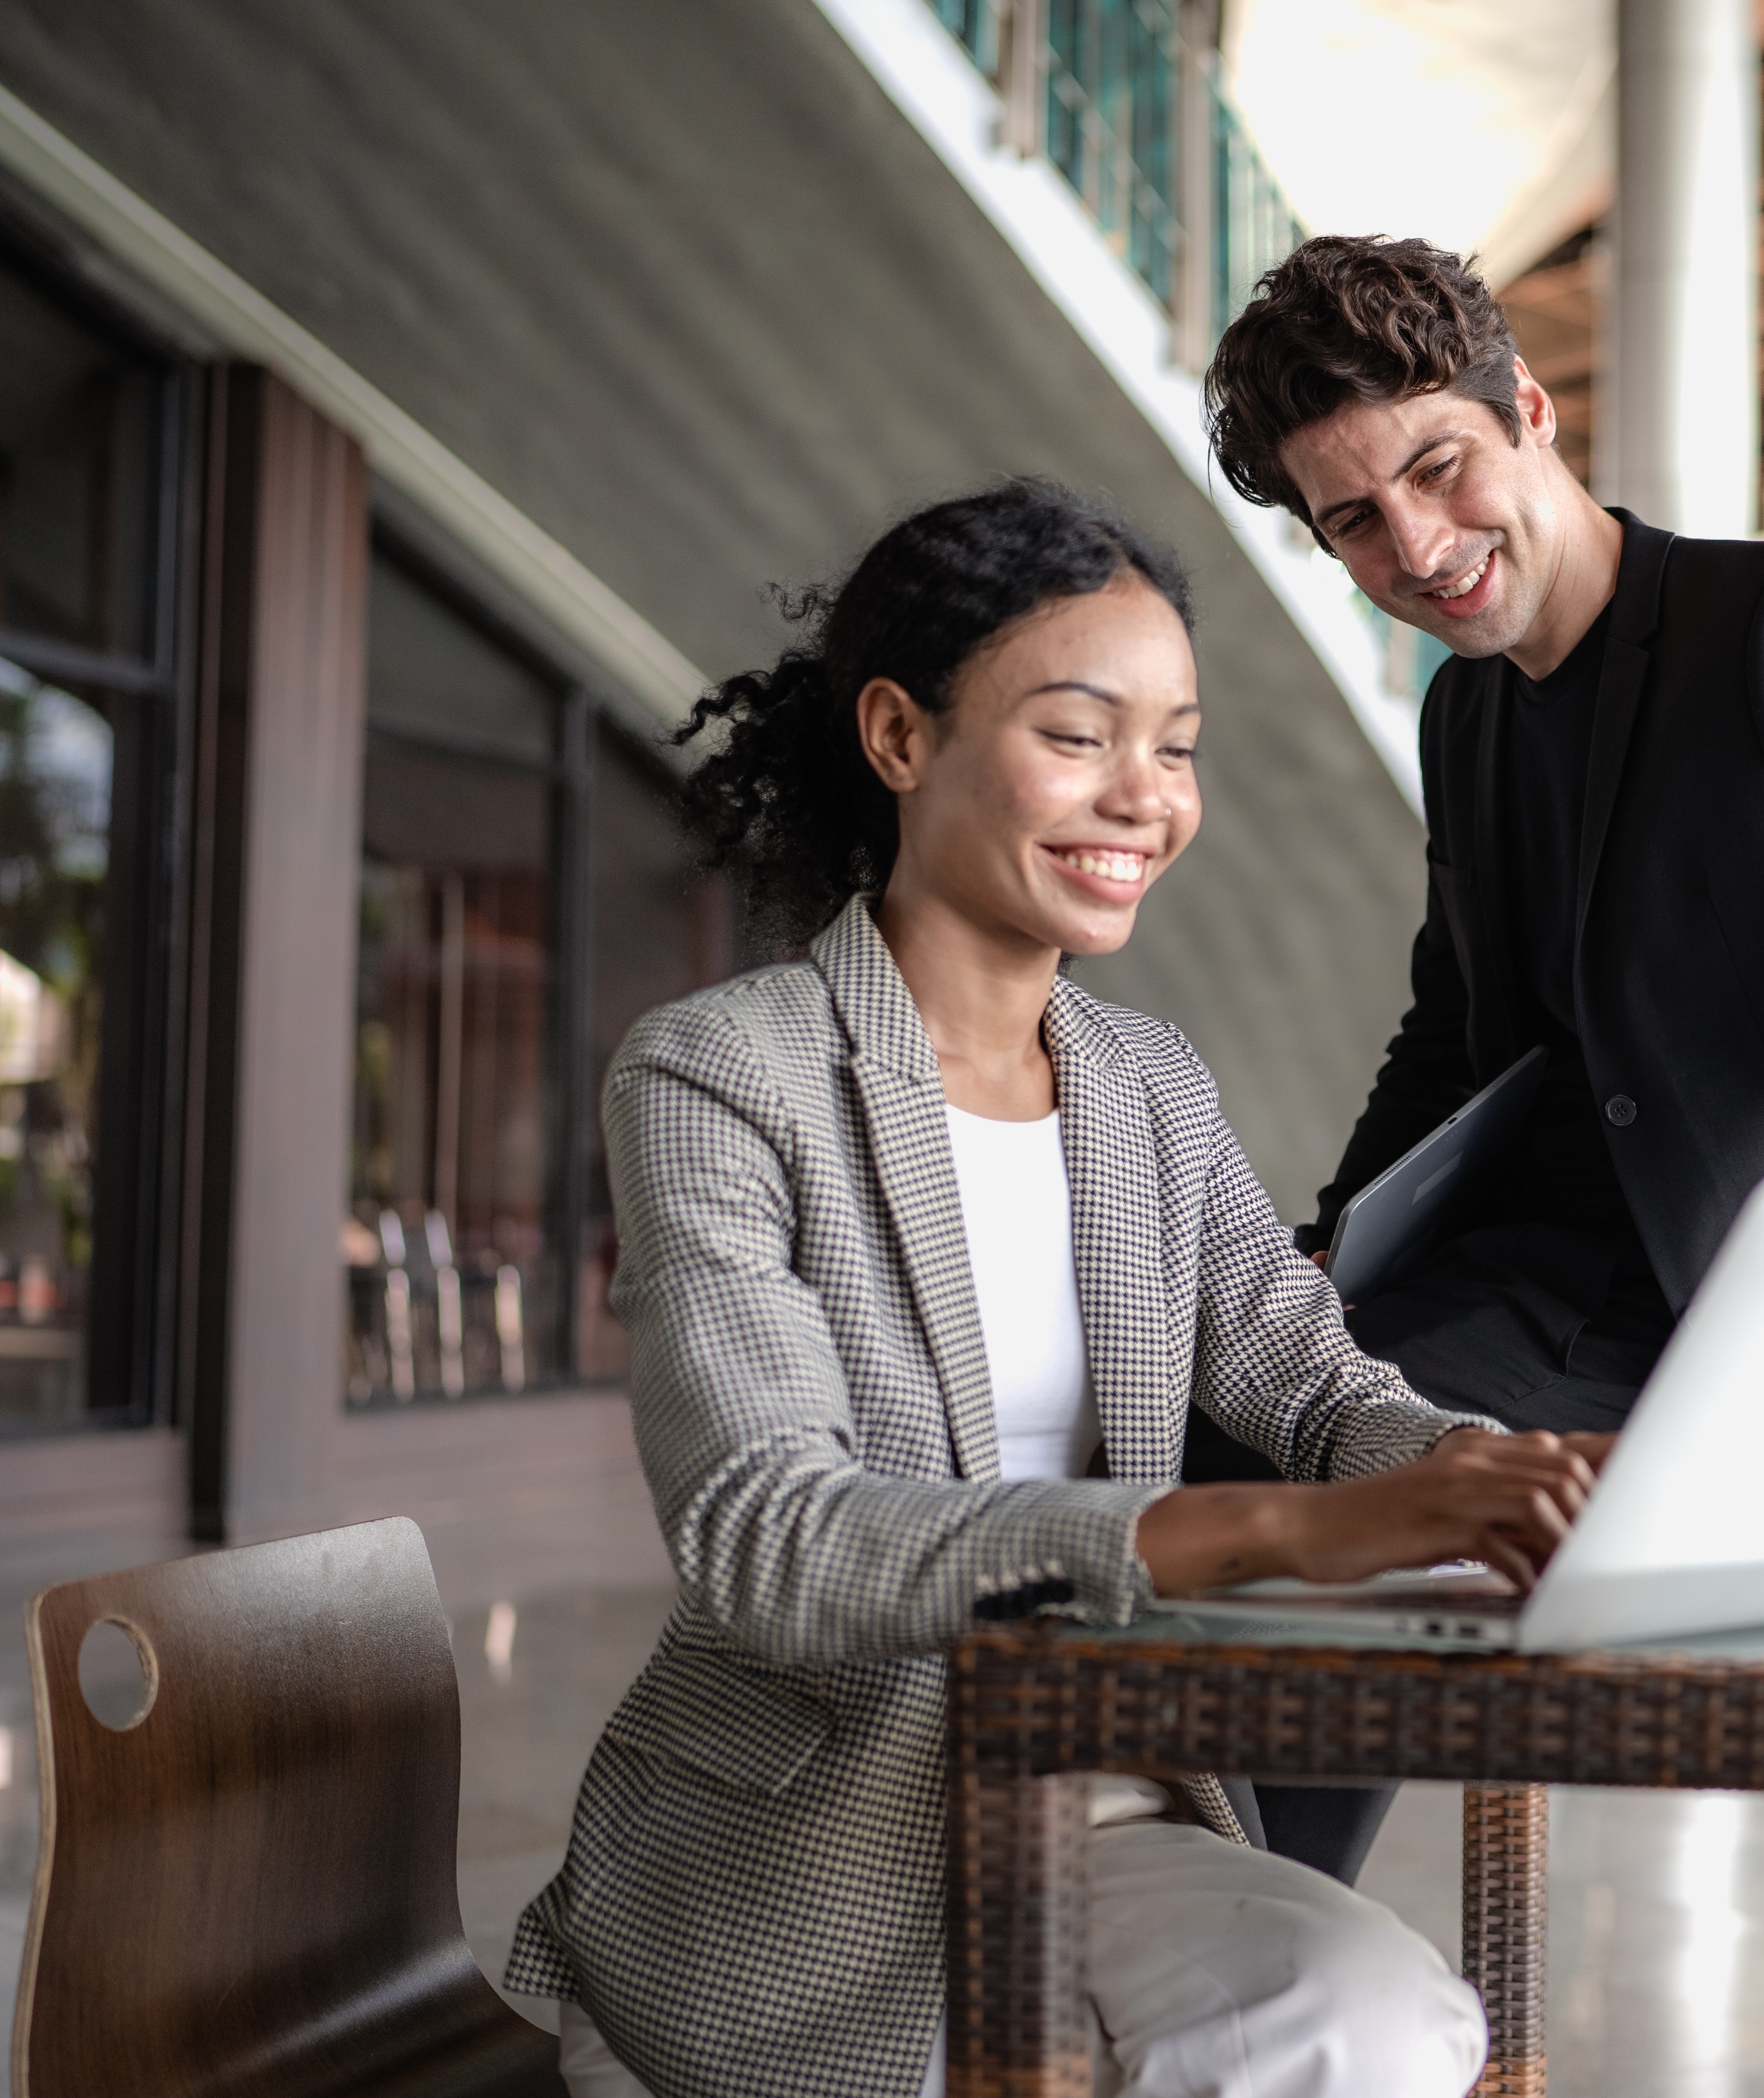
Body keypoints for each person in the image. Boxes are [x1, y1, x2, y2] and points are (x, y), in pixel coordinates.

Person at [502, 480, 1606, 2098]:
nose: (1143, 797)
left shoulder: (1145, 1082)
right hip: (799, 1872)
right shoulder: (720, 1071)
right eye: (1081, 735)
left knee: (1375, 2024)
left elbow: (1312, 1385)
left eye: (1176, 744)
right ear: (898, 735)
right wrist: (1256, 1529)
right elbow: (763, 1529)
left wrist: (1464, 1468)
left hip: (1096, 1798)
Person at [1192, 235, 1764, 1880]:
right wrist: (1328, 1238)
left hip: (1719, 1291)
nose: (1415, 546)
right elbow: (1450, 1026)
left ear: (1528, 409)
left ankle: (1254, 1938)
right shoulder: (1461, 716)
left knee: (1330, 1494)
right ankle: (1210, 1925)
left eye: (1437, 467)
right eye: (1351, 521)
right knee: (1213, 1430)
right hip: (1516, 1275)